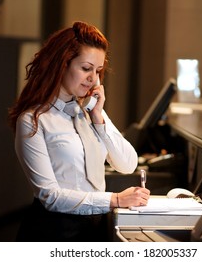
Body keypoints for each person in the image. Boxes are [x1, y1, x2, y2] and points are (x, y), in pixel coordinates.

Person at [8, 21, 150, 242]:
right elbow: (50, 196)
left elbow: (127, 164)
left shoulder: (90, 111)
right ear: (61, 65)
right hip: (55, 230)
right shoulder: (33, 120)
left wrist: (99, 119)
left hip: (96, 226)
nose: (93, 79)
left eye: (98, 71)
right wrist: (114, 200)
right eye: (86, 69)